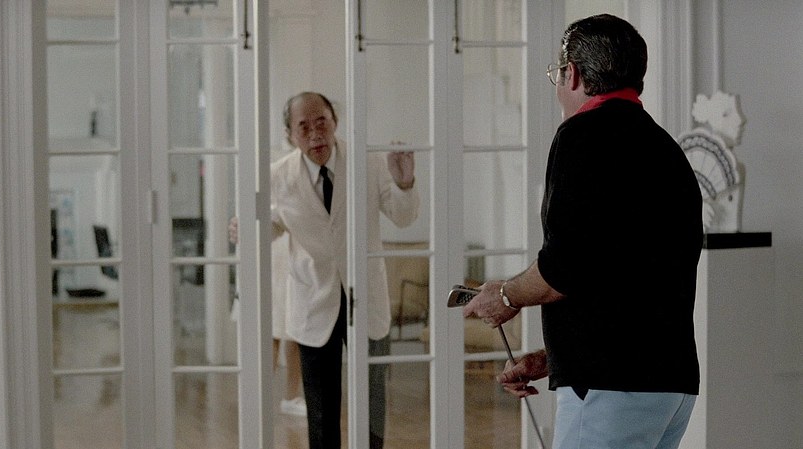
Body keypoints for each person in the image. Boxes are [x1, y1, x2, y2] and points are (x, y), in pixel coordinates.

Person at [463, 14, 703, 449]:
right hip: (671, 385)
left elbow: (564, 267)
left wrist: (504, 297)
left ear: (572, 74)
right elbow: (628, 277)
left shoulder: (582, 134)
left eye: (557, 73)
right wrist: (553, 360)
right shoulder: (665, 148)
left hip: (611, 388)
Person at [271, 91, 419, 449]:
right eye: (303, 127)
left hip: (366, 296)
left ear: (335, 121)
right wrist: (242, 227)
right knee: (320, 410)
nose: (315, 134)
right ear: (290, 135)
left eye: (321, 122)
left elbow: (403, 217)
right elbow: (269, 225)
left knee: (372, 400)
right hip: (312, 299)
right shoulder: (278, 175)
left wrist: (404, 183)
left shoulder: (367, 162)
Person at [228, 218, 306, 417]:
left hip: (292, 246)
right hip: (264, 250)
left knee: (294, 327)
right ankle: (259, 398)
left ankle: (290, 396)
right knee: (269, 330)